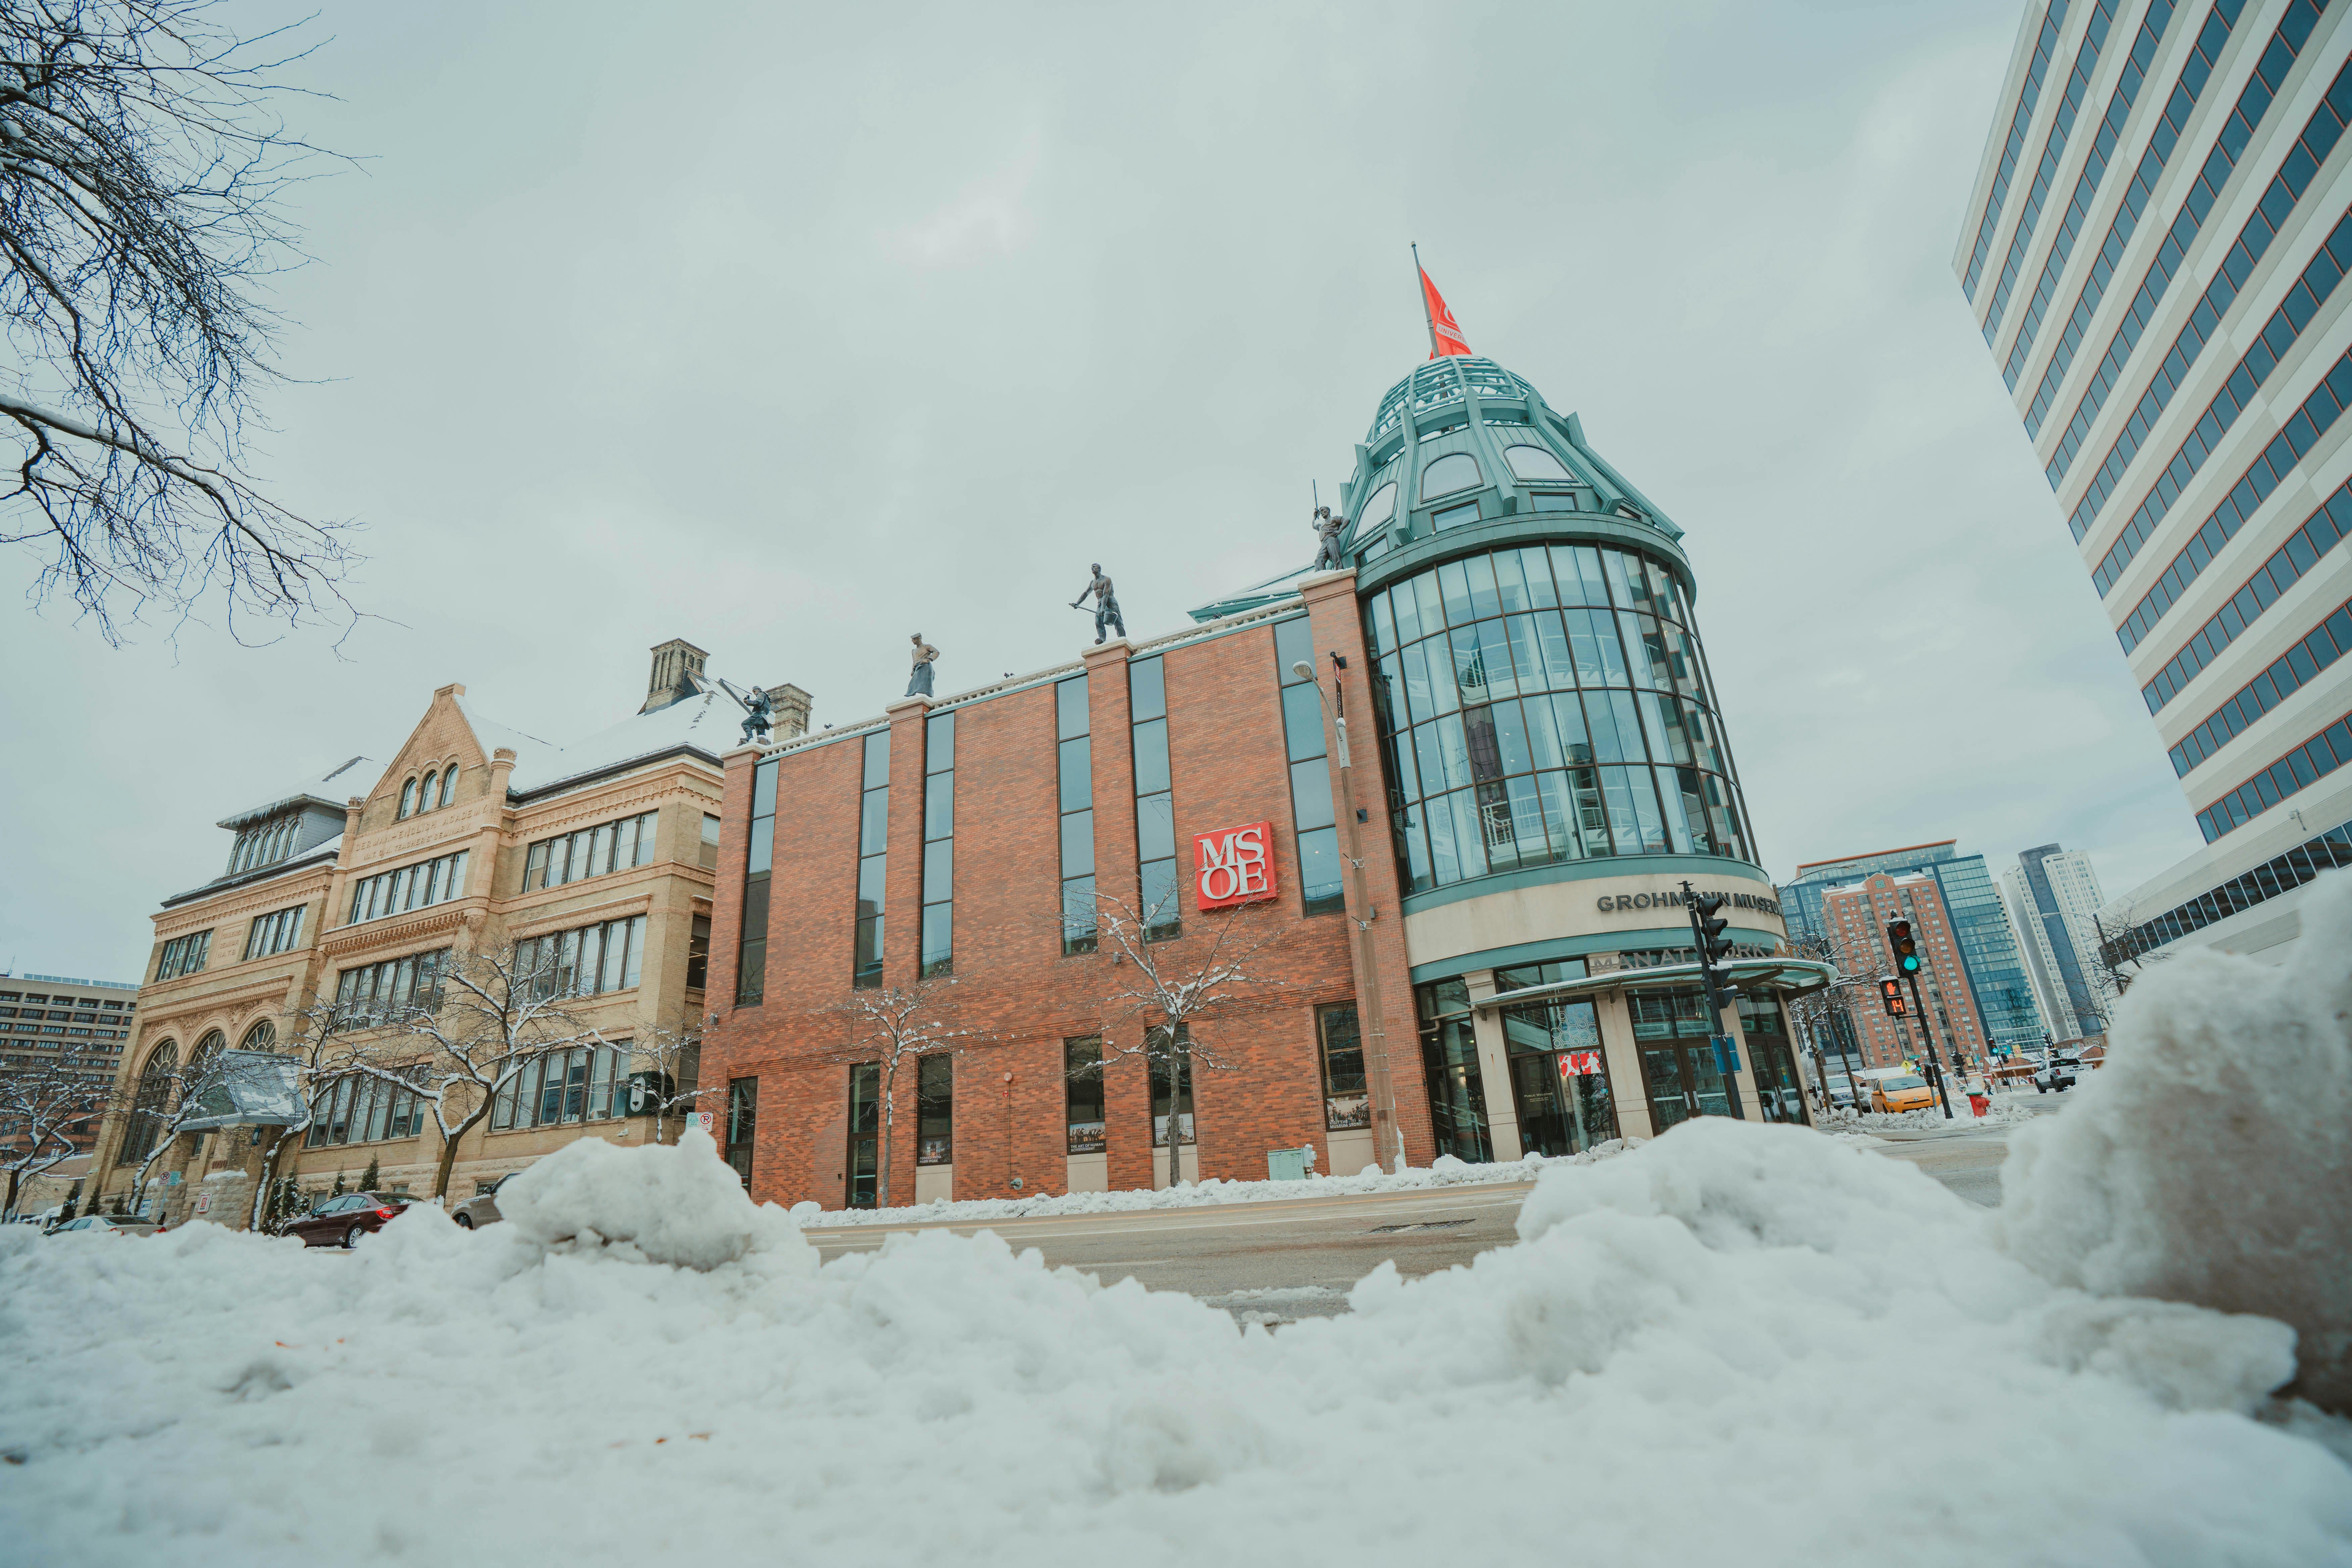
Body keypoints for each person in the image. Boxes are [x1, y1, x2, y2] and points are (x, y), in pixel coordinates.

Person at [1070, 564, 1125, 644]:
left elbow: (1106, 595)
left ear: (1099, 569)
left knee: (1117, 621)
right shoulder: (1093, 582)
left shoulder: (1107, 579)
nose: (1092, 568)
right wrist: (1077, 603)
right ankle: (1102, 638)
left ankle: (1122, 638)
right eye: (1091, 568)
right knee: (1098, 621)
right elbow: (1086, 593)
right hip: (1100, 602)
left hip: (1110, 601)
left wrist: (1103, 609)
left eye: (1094, 567)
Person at [1311, 505, 1348, 572]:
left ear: (1328, 511)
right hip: (1324, 543)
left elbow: (1347, 520)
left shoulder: (1334, 519)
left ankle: (1340, 573)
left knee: (1336, 558)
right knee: (1319, 560)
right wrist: (1315, 516)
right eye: (1321, 512)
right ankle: (1320, 577)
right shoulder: (1321, 525)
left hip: (1331, 540)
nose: (1321, 513)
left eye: (1323, 510)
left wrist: (1340, 531)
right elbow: (1314, 526)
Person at [906, 634, 939, 698]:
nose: (912, 641)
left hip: (925, 667)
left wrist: (928, 659)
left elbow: (936, 652)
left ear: (918, 639)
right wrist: (913, 670)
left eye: (913, 639)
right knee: (912, 686)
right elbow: (914, 661)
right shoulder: (914, 651)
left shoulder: (927, 646)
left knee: (925, 685)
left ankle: (926, 699)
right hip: (917, 668)